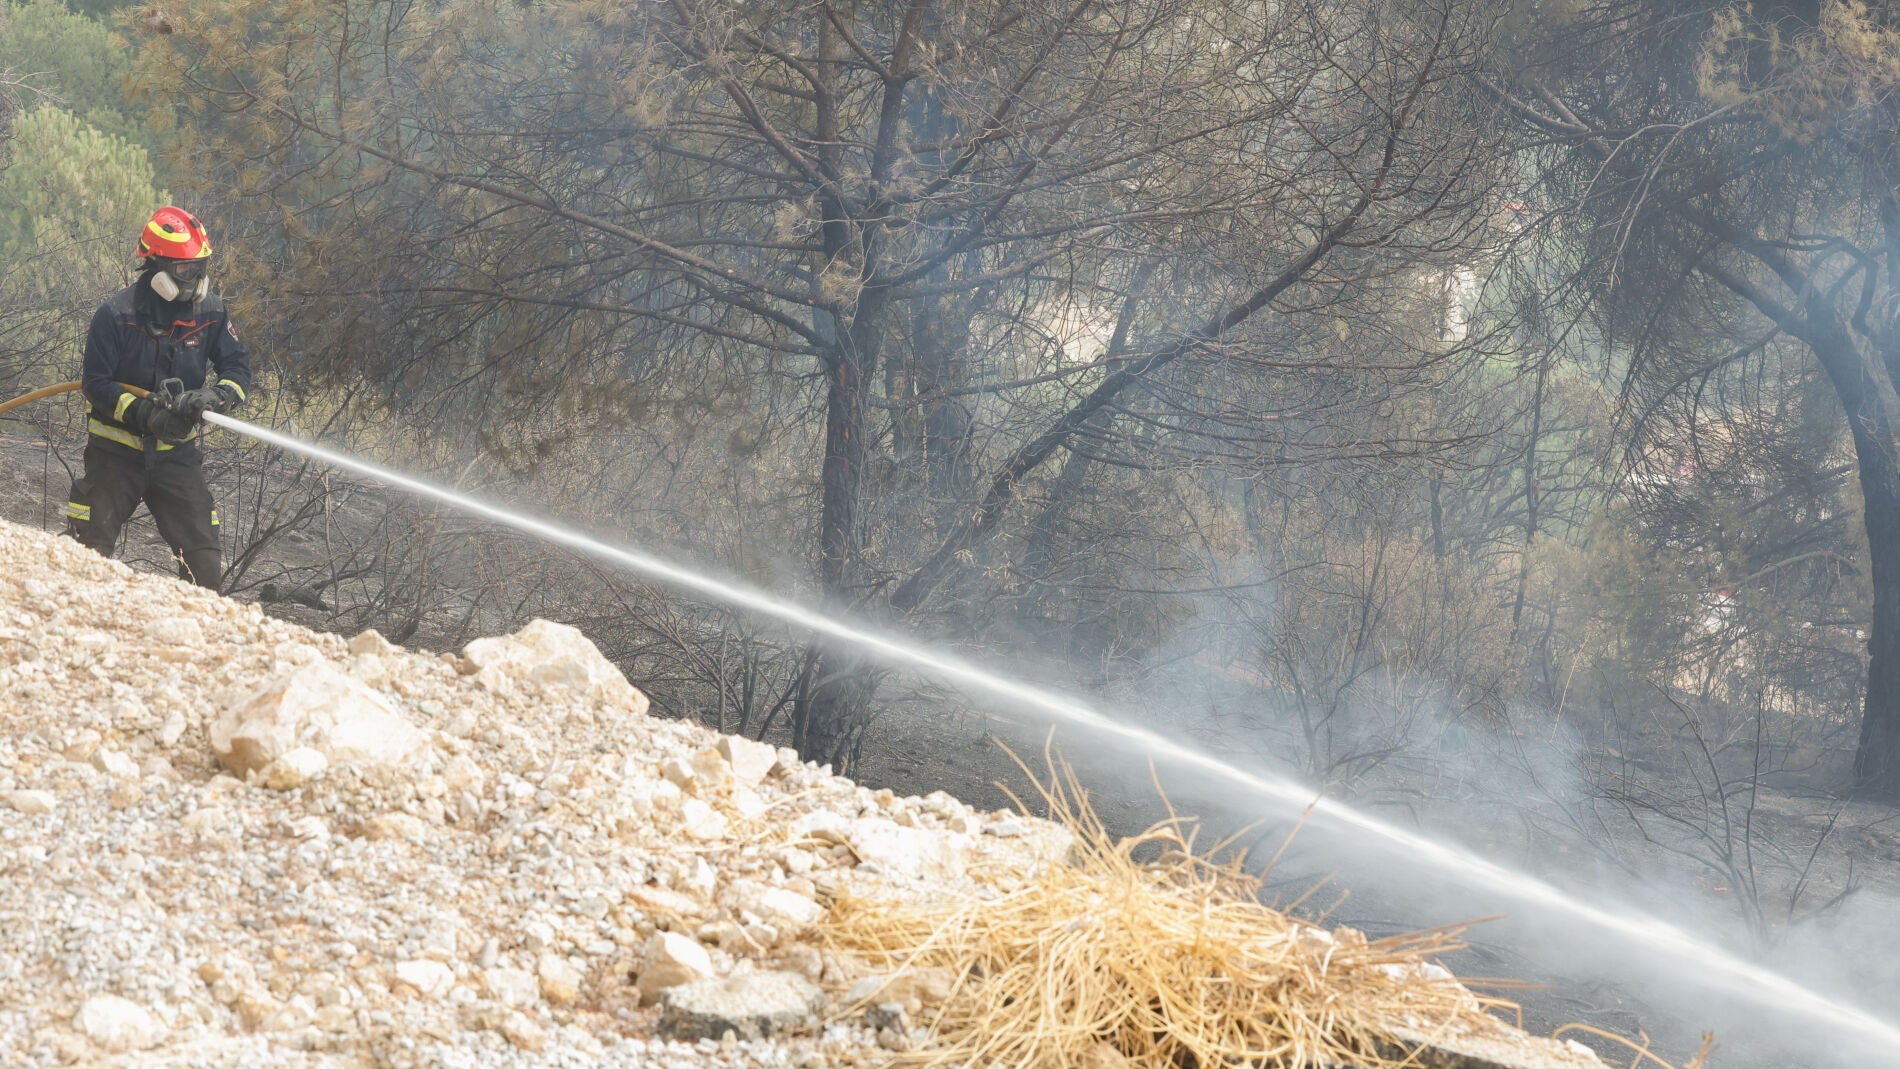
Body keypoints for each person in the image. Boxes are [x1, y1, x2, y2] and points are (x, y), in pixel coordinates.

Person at [65, 206, 253, 589]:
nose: (195, 277)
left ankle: (198, 626)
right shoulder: (115, 316)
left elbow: (238, 368)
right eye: (185, 268)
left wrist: (216, 396)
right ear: (156, 265)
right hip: (115, 455)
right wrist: (146, 414)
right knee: (89, 554)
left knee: (204, 561)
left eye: (199, 267)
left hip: (175, 458)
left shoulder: (212, 313)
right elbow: (96, 384)